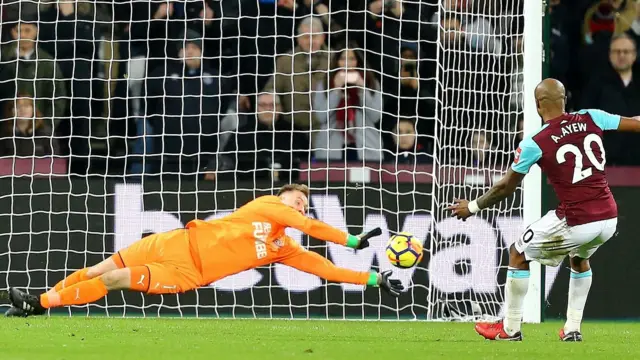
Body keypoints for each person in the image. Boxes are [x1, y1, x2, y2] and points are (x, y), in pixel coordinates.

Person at [7, 184, 403, 317]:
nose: (298, 206)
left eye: (302, 203)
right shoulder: (264, 205)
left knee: (113, 279)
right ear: (279, 195)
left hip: (187, 273)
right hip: (172, 240)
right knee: (97, 270)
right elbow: (309, 226)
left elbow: (327, 270)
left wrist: (374, 277)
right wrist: (350, 239)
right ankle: (41, 302)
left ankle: (40, 302)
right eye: (294, 198)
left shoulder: (283, 249)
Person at [447, 78, 640, 342]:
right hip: (608, 217)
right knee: (579, 258)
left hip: (577, 218)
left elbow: (505, 187)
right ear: (564, 99)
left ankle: (510, 329)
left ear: (538, 105)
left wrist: (472, 206)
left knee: (518, 252)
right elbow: (635, 122)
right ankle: (572, 329)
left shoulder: (535, 141)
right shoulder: (592, 117)